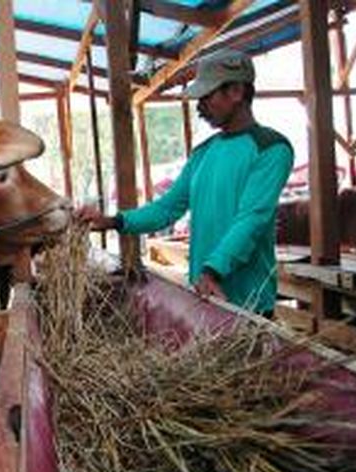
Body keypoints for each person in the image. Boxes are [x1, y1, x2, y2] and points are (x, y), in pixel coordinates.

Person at [76, 49, 294, 317]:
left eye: (206, 96)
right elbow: (167, 209)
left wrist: (213, 270)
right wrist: (113, 221)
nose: (199, 107)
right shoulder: (203, 153)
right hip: (204, 296)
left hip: (248, 304)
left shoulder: (271, 149)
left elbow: (252, 219)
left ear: (236, 91)